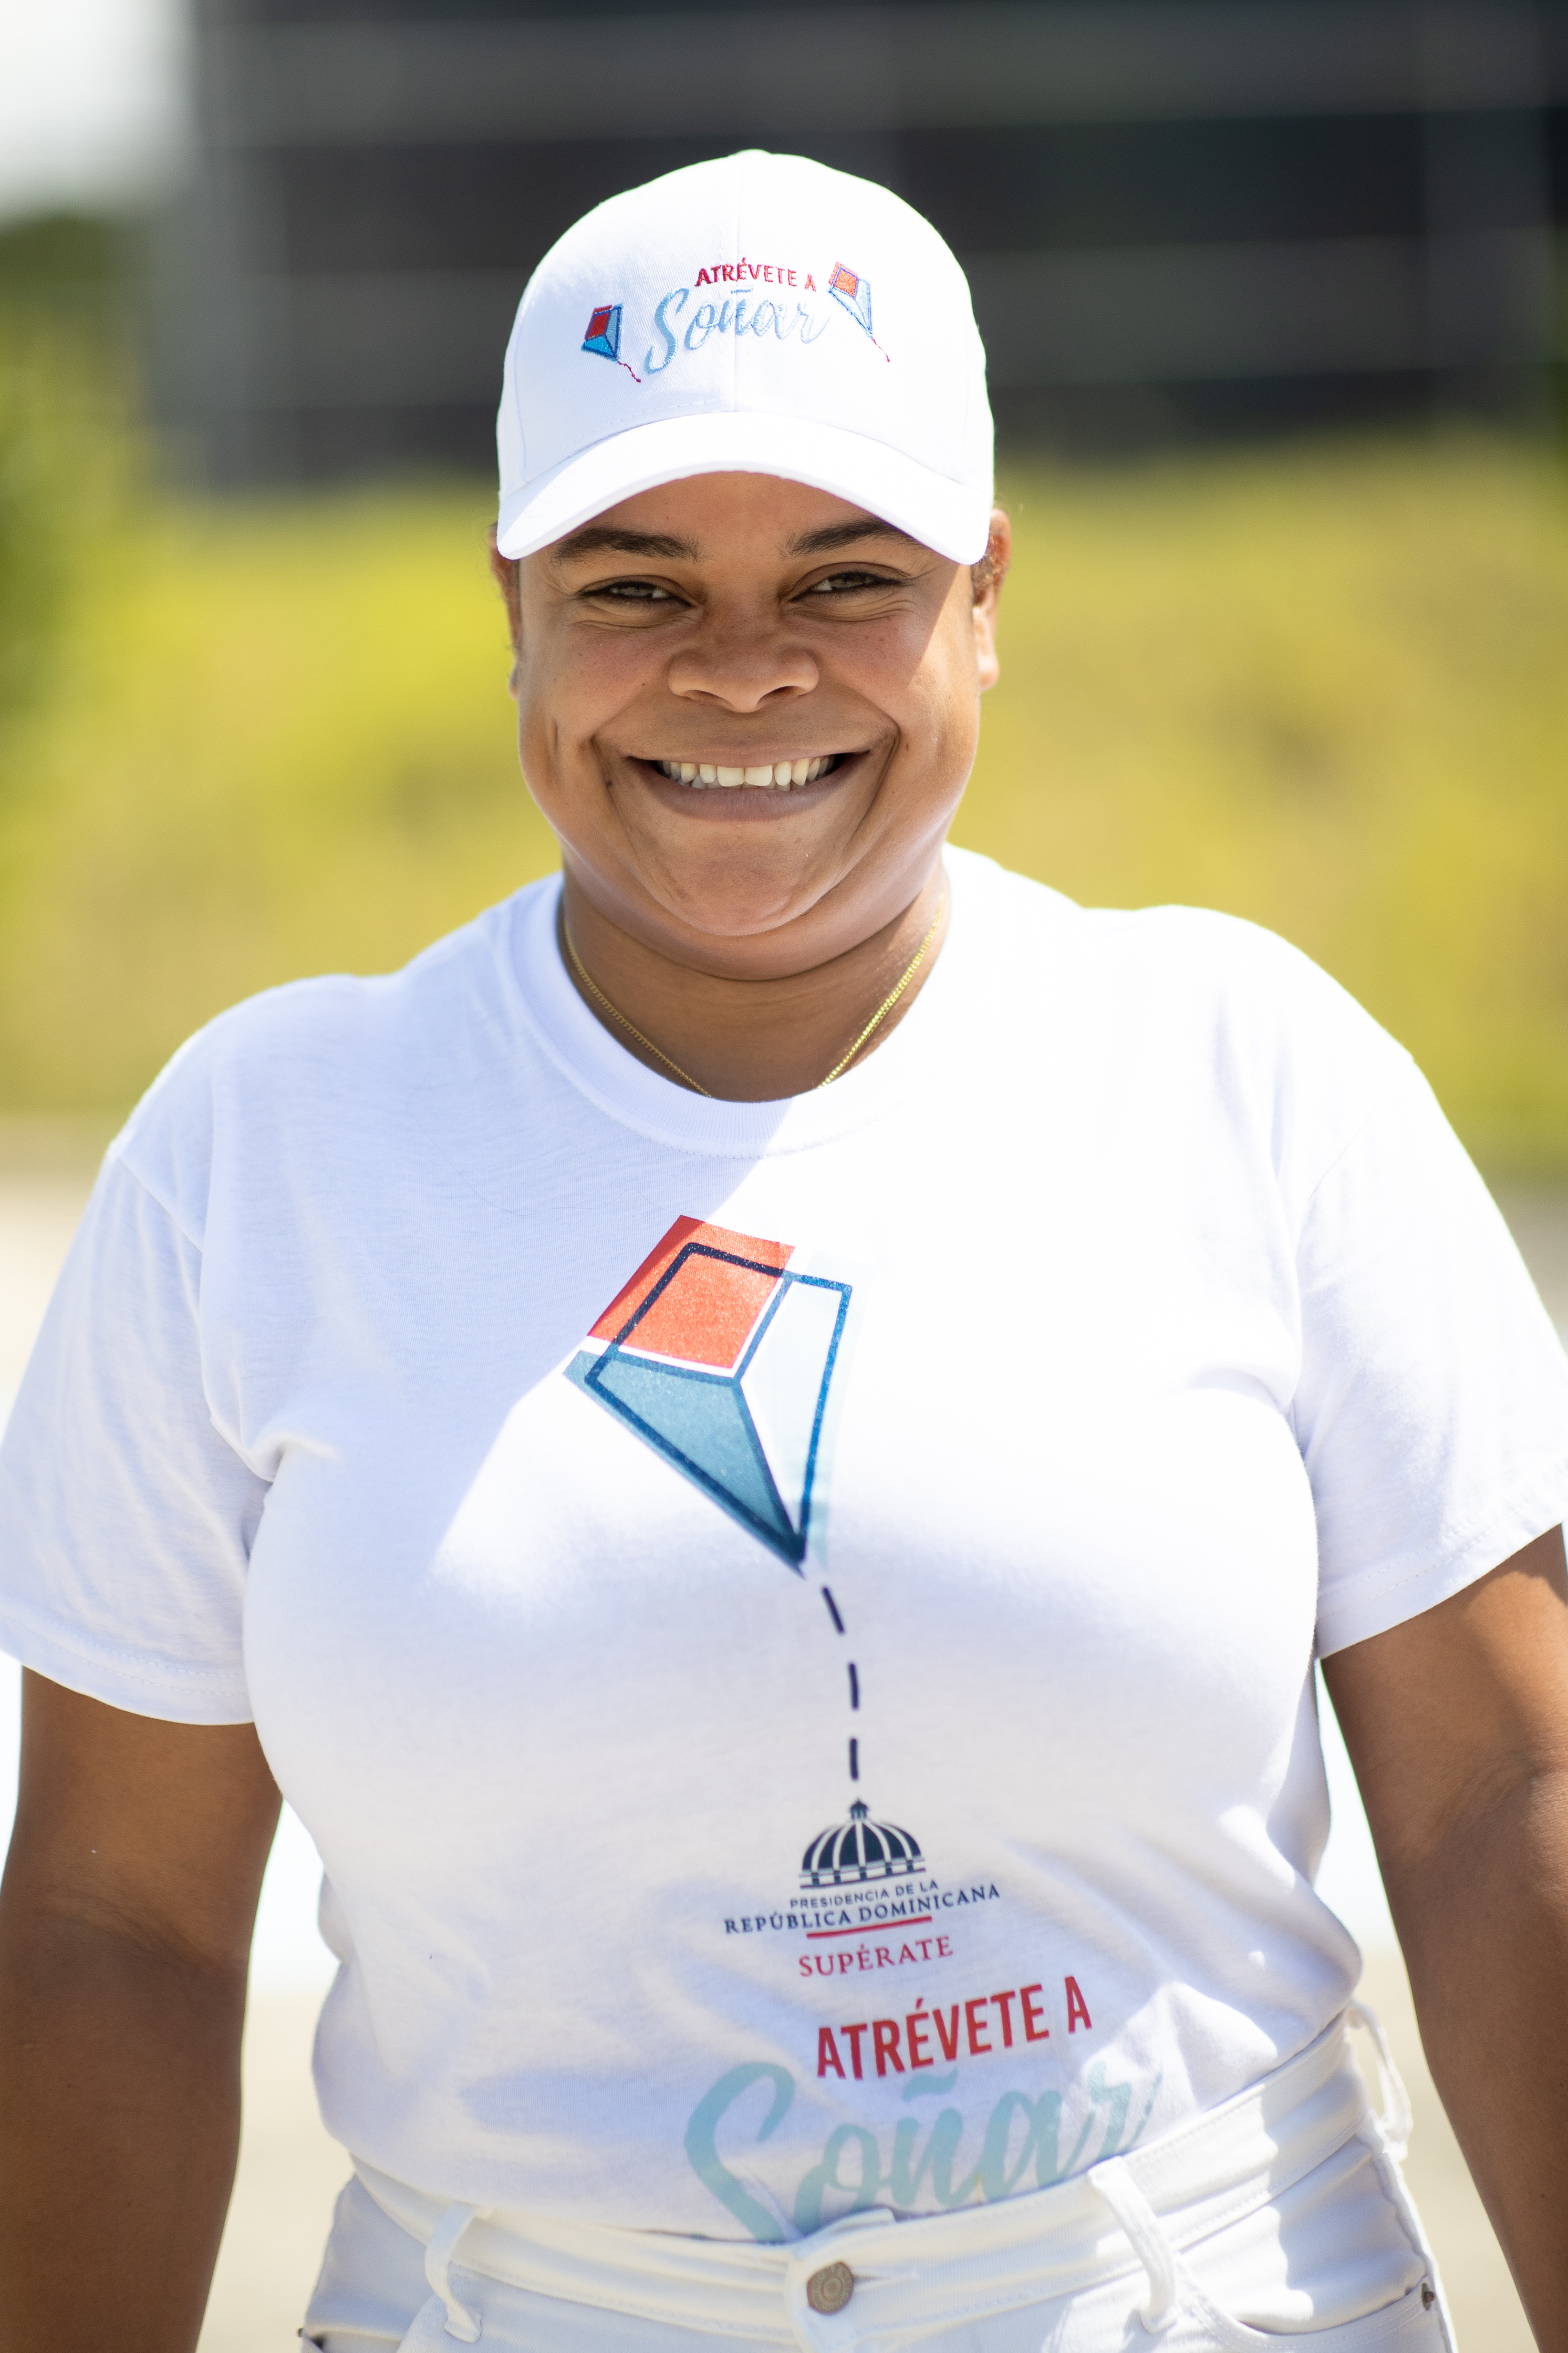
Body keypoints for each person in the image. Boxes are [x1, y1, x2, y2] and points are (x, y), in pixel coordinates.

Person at [1, 149, 1566, 2353]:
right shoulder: (261, 1154)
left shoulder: (1245, 1069)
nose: (743, 671)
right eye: (636, 584)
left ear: (986, 594)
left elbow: (1508, 1796)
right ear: (513, 606)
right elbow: (118, 1920)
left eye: (849, 576)